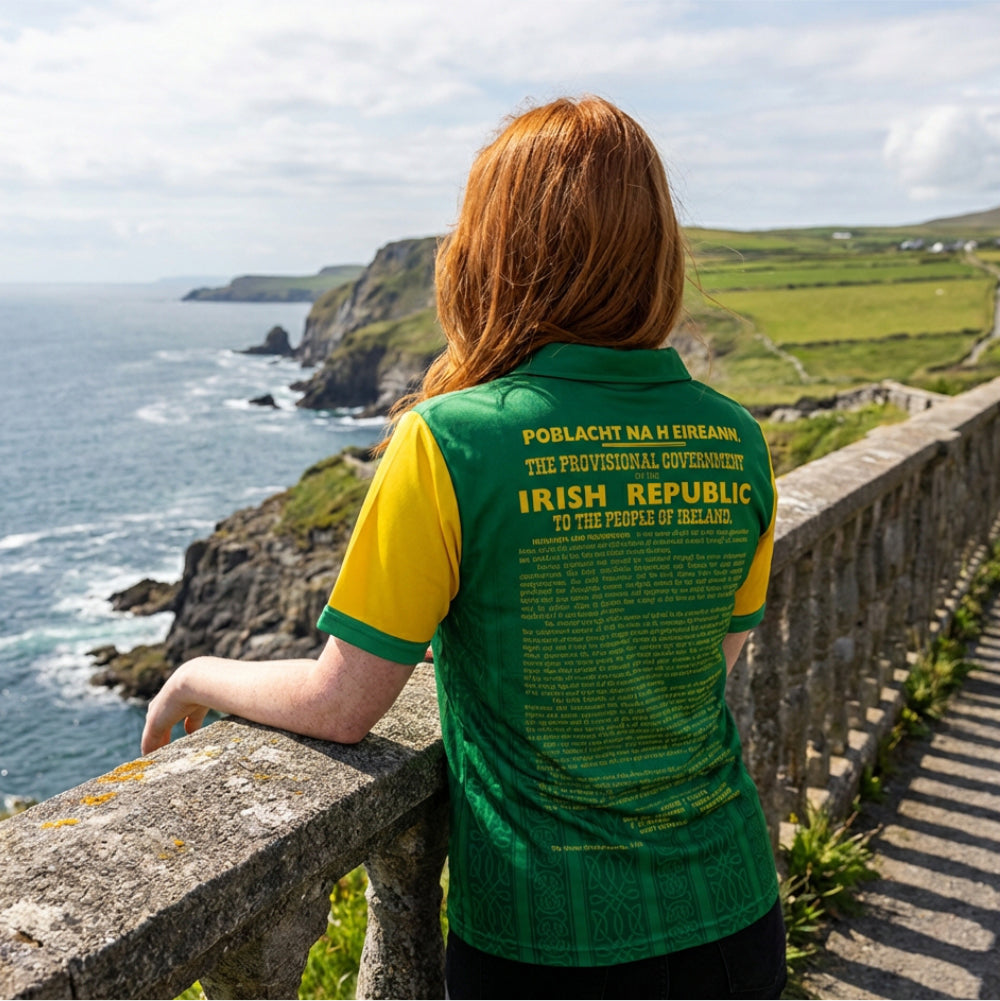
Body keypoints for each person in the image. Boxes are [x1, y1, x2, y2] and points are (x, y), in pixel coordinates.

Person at [143, 96, 785, 999]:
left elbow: (342, 704)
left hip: (543, 939)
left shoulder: (449, 442)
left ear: (492, 251)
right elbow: (703, 661)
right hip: (733, 911)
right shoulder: (735, 439)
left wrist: (196, 673)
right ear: (656, 252)